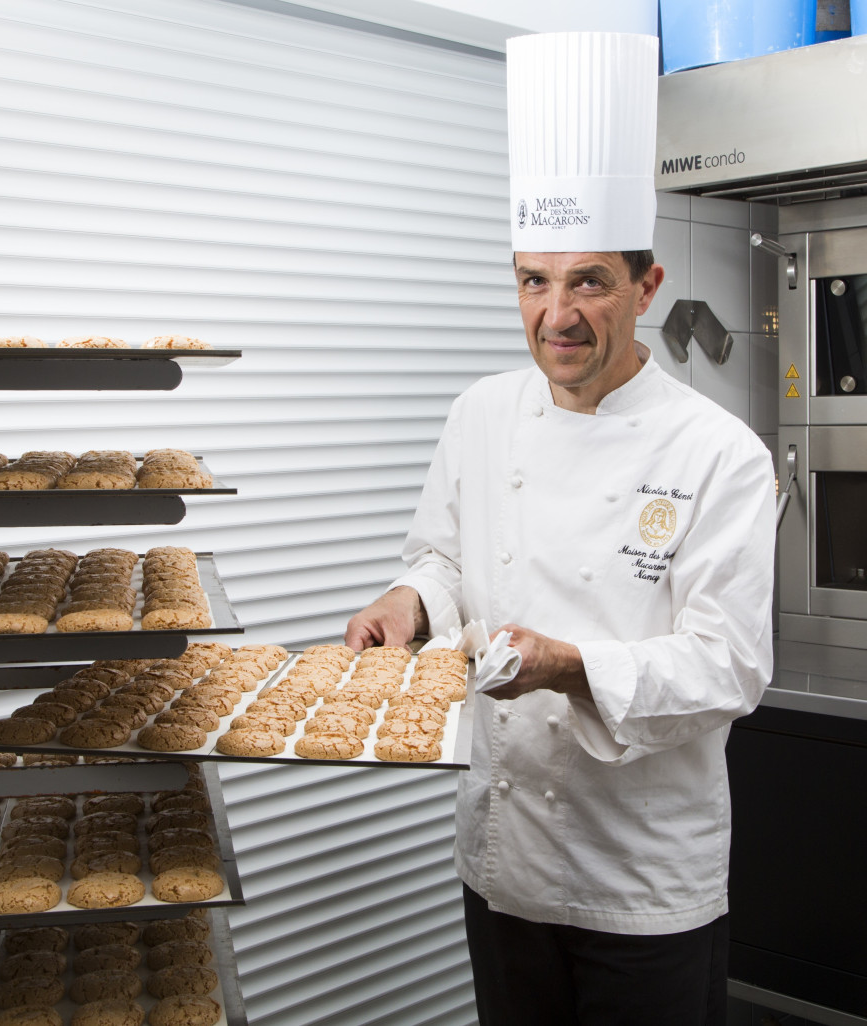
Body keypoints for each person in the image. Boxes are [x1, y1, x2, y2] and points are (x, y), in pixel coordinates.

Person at [345, 32, 776, 1026]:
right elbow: (444, 557)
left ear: (646, 288)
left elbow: (729, 666)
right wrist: (407, 602)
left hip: (643, 880)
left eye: (587, 280)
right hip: (501, 859)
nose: (557, 315)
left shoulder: (719, 454)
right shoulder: (480, 413)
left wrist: (571, 664)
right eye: (533, 281)